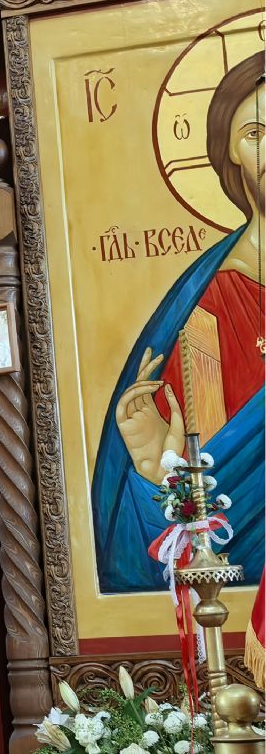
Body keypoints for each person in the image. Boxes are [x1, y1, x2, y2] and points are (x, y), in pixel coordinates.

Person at [93, 51, 264, 592]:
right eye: (256, 133)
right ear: (230, 151)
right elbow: (184, 535)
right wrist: (155, 469)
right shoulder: (205, 311)